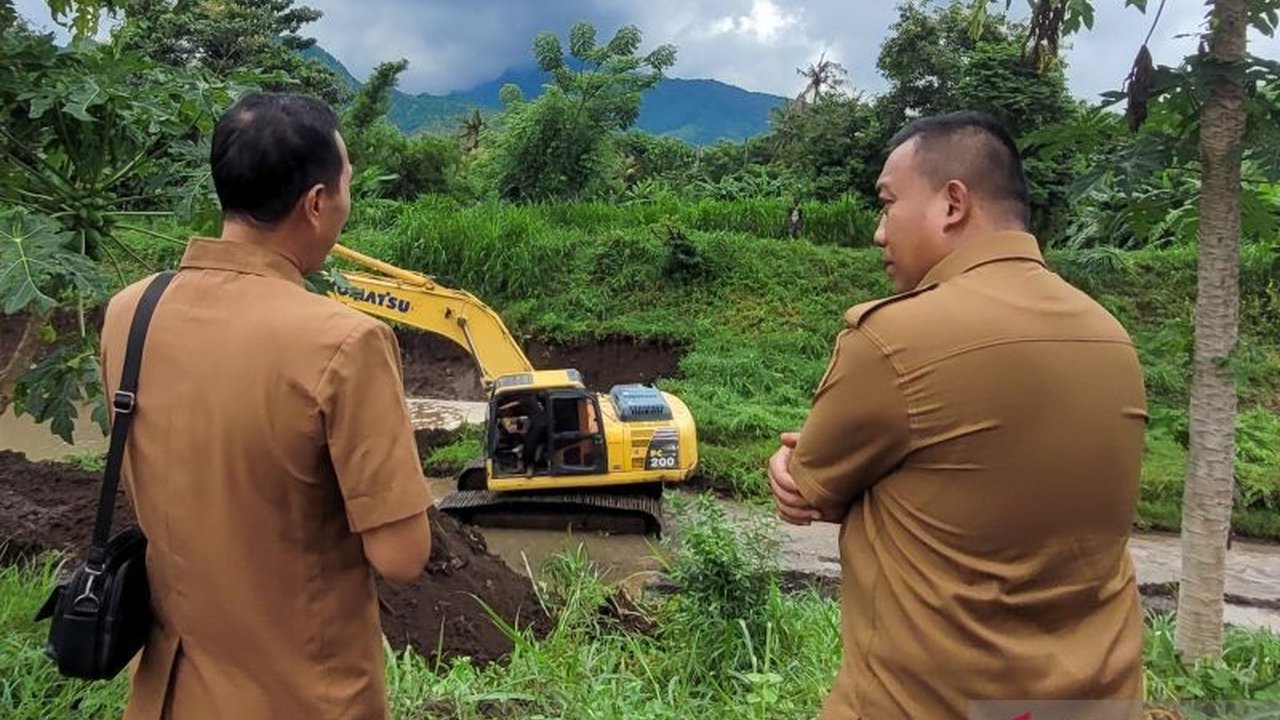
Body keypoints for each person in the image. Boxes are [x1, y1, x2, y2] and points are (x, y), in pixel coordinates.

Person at [768, 112, 1147, 720]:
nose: (879, 233)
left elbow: (809, 486)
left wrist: (791, 465)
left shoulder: (894, 339)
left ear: (952, 204)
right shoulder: (1110, 337)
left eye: (888, 204)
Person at [98, 92, 434, 719]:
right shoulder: (345, 342)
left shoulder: (129, 313)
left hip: (169, 693)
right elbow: (401, 556)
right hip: (303, 696)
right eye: (347, 185)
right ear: (316, 203)